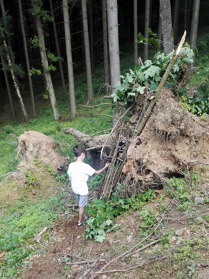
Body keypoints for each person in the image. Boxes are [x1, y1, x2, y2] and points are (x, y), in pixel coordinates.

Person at [67, 145, 110, 227]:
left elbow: (70, 177)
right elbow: (97, 172)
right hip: (82, 189)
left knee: (82, 203)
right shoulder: (85, 166)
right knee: (81, 205)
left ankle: (86, 216)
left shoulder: (71, 165)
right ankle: (79, 222)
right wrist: (105, 167)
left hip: (74, 187)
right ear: (82, 154)